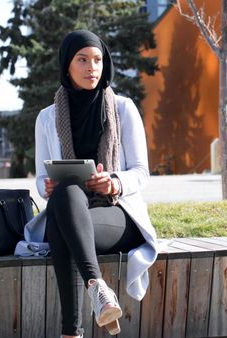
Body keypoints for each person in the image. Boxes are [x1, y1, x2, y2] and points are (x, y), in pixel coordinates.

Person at [33, 30, 159, 338]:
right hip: (72, 208)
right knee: (64, 193)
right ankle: (97, 288)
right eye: (83, 60)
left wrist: (114, 183)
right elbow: (39, 177)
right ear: (67, 66)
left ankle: (71, 331)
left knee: (62, 224)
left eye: (98, 60)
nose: (92, 67)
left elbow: (142, 172)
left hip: (117, 213)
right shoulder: (47, 118)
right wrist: (46, 187)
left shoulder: (123, 109)